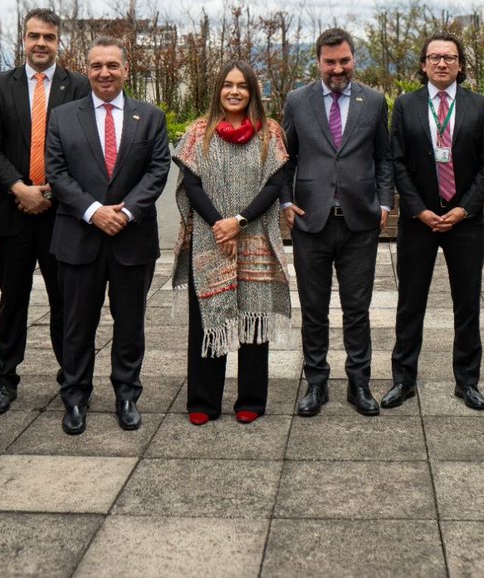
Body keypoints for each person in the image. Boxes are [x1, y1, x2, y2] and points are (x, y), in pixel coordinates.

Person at [46, 37, 170, 434]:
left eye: (112, 65)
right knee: (76, 324)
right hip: (79, 236)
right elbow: (56, 173)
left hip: (133, 239)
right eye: (97, 65)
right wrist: (94, 212)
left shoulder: (150, 116)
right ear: (87, 70)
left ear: (126, 70)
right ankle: (75, 396)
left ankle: (127, 394)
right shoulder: (63, 117)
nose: (104, 73)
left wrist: (127, 212)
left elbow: (158, 170)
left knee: (130, 323)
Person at [0, 8, 90, 414]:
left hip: (63, 215)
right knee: (13, 299)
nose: (41, 43)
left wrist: (54, 190)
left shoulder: (78, 86)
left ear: (59, 42)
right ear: (23, 39)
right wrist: (18, 187)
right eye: (33, 36)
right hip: (15, 211)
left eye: (49, 37)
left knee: (66, 301)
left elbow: (84, 146)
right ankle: (4, 379)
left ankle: (72, 379)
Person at [280, 28, 393, 417]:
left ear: (353, 59)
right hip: (310, 222)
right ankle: (316, 382)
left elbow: (384, 157)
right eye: (330, 62)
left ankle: (359, 383)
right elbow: (286, 158)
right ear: (318, 62)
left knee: (357, 309)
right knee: (314, 309)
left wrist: (385, 202)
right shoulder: (298, 101)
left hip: (359, 223)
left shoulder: (373, 101)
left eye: (344, 60)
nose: (338, 69)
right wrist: (285, 201)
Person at [172, 62, 291, 424]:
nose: (234, 91)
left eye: (242, 85)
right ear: (218, 91)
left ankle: (251, 399)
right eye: (227, 85)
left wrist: (238, 222)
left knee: (254, 318)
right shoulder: (198, 133)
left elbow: (274, 185)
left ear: (252, 91)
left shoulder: (270, 133)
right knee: (208, 317)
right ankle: (203, 401)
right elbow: (191, 185)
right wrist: (219, 225)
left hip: (255, 236)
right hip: (210, 240)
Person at [385, 33, 484, 411]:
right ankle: (403, 380)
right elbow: (397, 162)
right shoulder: (406, 105)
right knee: (410, 303)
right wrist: (418, 209)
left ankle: (467, 381)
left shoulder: (479, 106)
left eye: (449, 57)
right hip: (419, 221)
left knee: (466, 304)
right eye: (434, 57)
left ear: (460, 64)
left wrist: (464, 209)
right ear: (423, 64)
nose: (442, 63)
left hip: (464, 222)